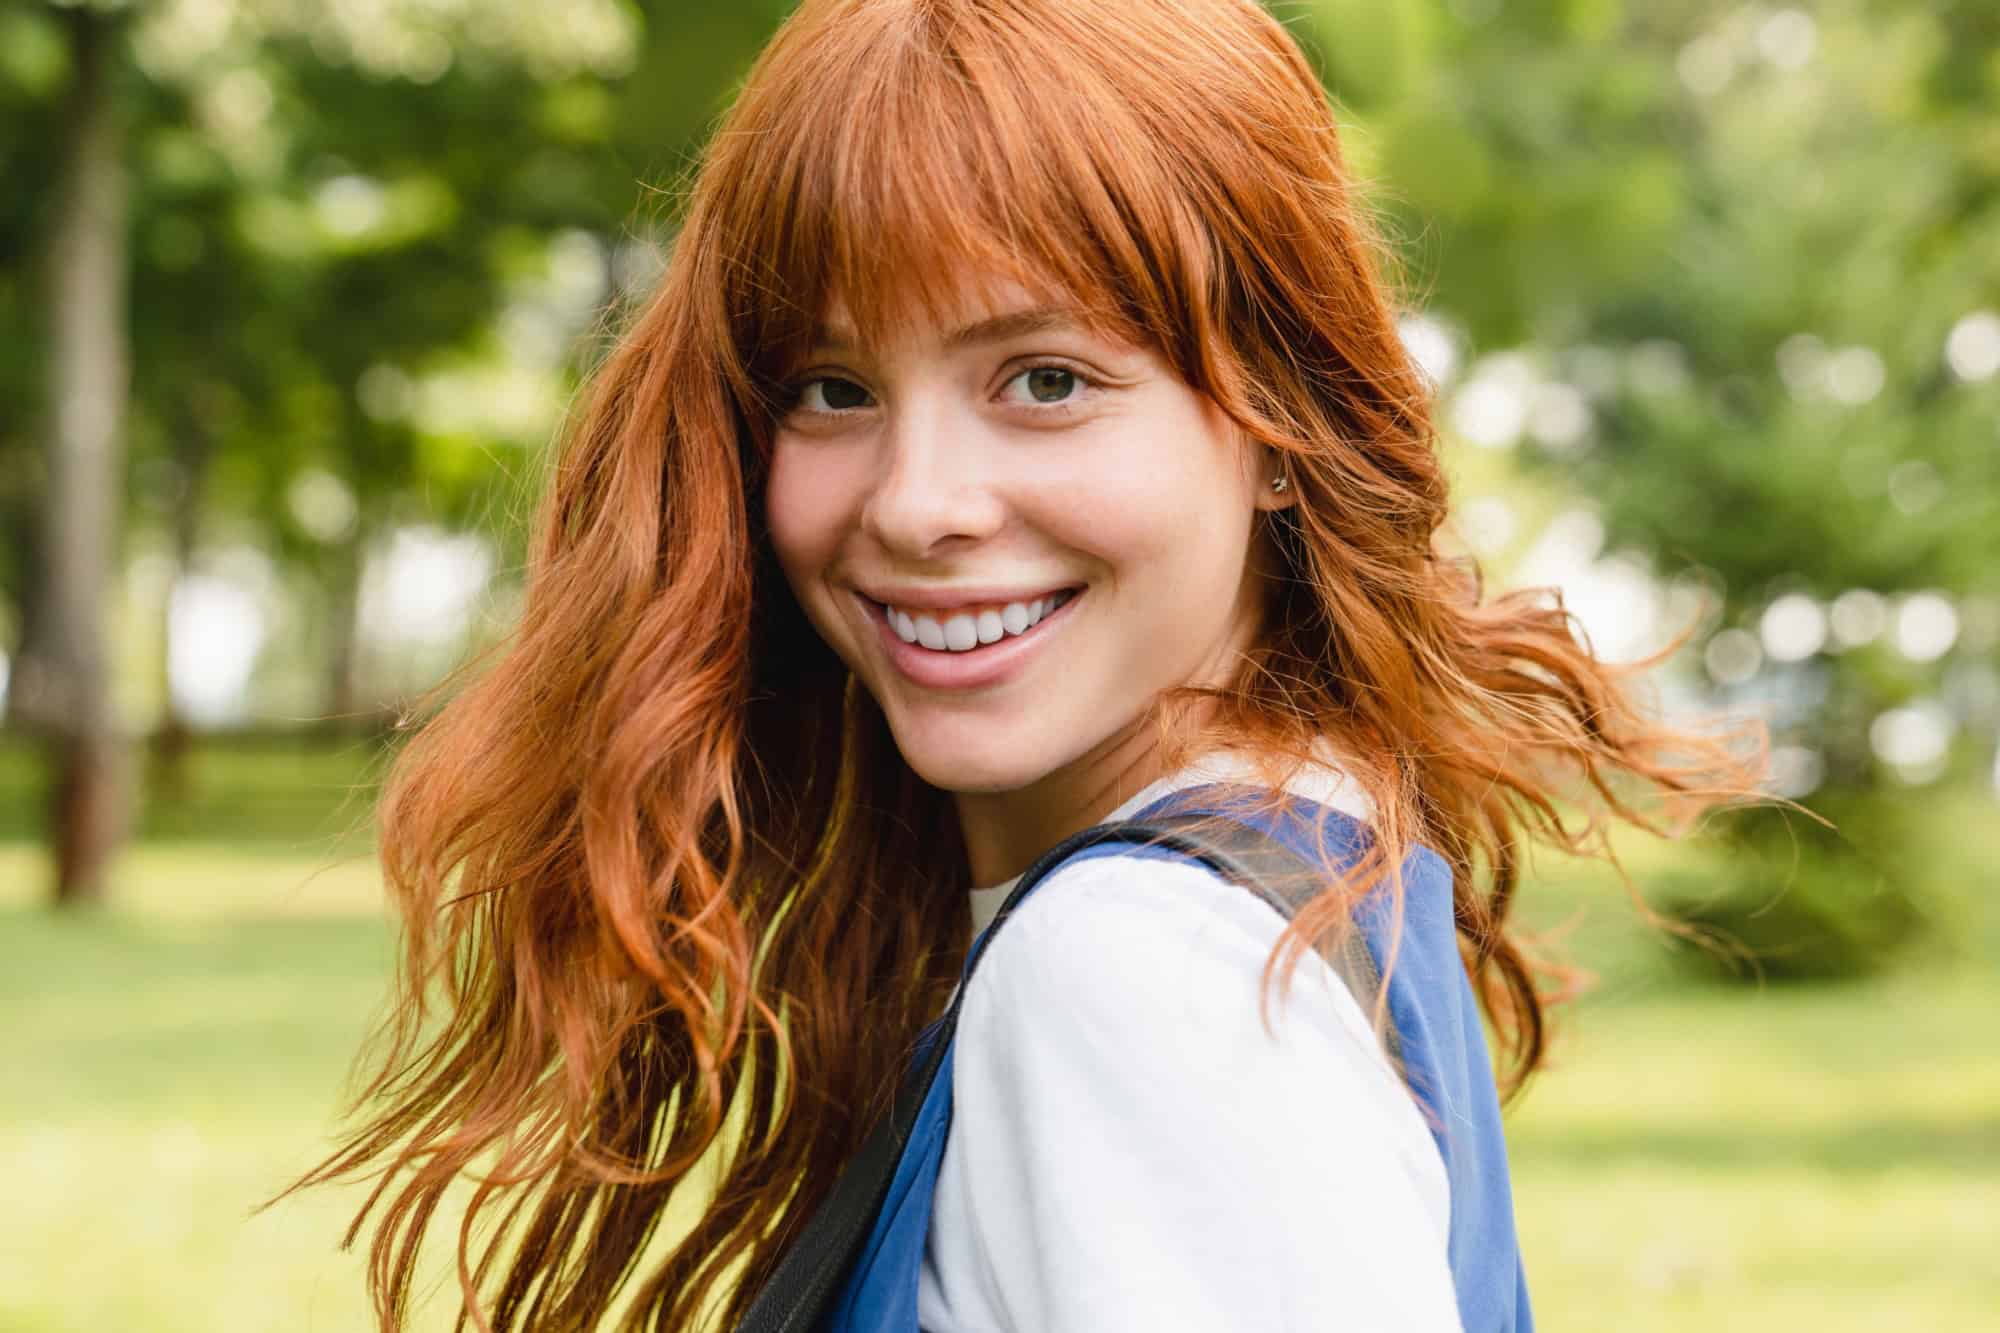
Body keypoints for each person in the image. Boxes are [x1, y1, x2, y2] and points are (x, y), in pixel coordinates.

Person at [295, 1, 1756, 1329]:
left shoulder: (1146, 970)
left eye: (1046, 380)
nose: (916, 500)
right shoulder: (1306, 858)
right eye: (833, 388)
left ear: (1280, 431)